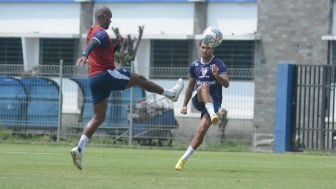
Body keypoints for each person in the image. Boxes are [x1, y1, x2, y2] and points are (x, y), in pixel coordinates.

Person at [70, 5, 184, 170]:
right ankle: (171, 94)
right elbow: (94, 44)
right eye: (109, 18)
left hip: (94, 78)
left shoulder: (91, 31)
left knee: (98, 117)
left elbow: (102, 51)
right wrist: (84, 54)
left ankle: (79, 148)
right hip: (105, 75)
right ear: (102, 17)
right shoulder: (100, 33)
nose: (111, 21)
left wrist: (116, 45)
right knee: (139, 78)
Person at [175, 40, 229, 171]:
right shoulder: (194, 65)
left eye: (208, 48)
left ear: (212, 50)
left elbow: (226, 83)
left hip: (213, 102)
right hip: (198, 98)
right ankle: (213, 115)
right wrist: (184, 105)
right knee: (203, 86)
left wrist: (217, 76)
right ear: (199, 48)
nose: (205, 50)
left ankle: (183, 159)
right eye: (203, 47)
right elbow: (190, 86)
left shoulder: (219, 64)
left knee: (201, 130)